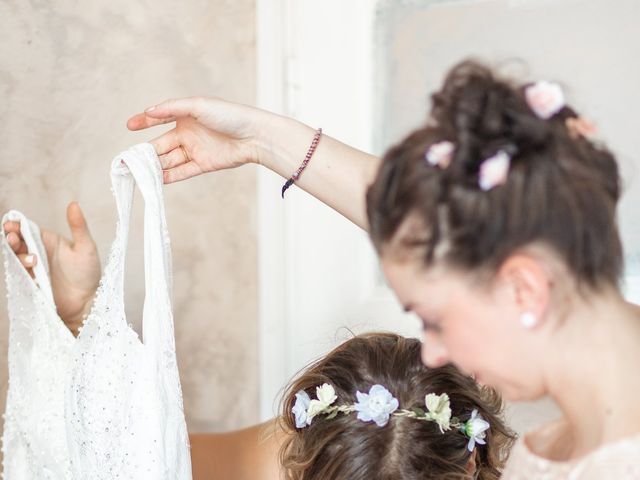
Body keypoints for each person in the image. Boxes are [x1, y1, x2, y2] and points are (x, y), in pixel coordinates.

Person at [6, 58, 640, 476]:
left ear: (523, 287)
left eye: (436, 317)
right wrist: (262, 143)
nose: (437, 352)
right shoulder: (565, 436)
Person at [2, 214, 516, 478]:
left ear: (469, 468)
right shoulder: (266, 459)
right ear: (294, 447)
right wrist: (79, 315)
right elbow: (120, 454)